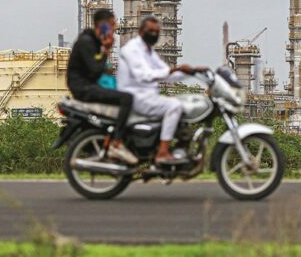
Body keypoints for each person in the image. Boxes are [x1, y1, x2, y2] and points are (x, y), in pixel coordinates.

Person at [117, 16, 207, 165]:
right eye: (150, 31)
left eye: (156, 31)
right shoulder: (132, 49)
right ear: (140, 31)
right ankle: (163, 152)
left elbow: (166, 73)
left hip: (147, 96)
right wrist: (175, 69)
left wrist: (193, 71)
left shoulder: (149, 52)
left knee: (183, 105)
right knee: (174, 106)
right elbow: (144, 75)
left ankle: (178, 147)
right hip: (135, 97)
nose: (153, 34)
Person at [67, 9, 137, 165]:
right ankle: (117, 143)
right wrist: (106, 50)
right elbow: (94, 71)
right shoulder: (86, 42)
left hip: (87, 85)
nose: (115, 29)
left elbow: (97, 67)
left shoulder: (91, 41)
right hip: (83, 88)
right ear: (103, 25)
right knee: (127, 99)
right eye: (112, 25)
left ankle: (114, 138)